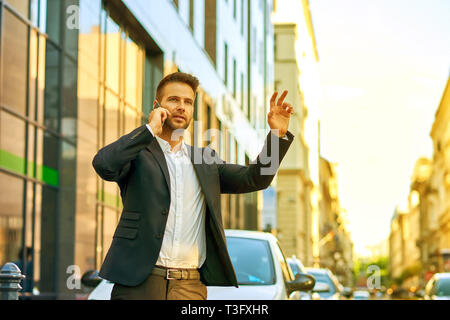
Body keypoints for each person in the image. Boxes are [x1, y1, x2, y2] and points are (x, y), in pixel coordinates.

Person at [92, 72, 294, 300]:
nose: (181, 107)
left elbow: (255, 178)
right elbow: (103, 164)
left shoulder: (205, 160)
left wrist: (277, 136)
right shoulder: (138, 154)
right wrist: (149, 130)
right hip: (139, 284)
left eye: (188, 102)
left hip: (189, 287)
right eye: (173, 100)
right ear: (157, 106)